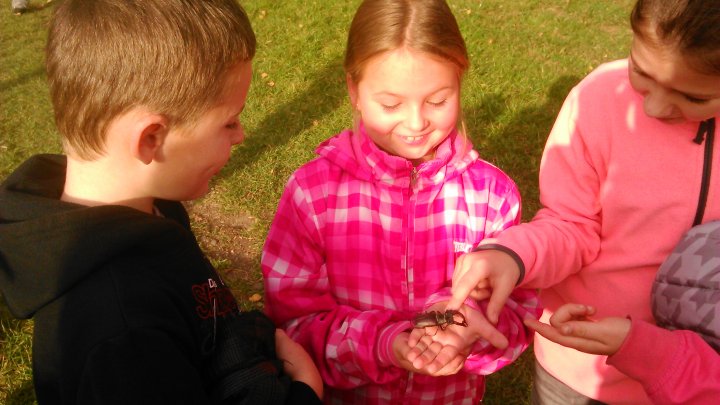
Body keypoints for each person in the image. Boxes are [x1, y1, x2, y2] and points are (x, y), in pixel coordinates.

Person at [0, 0, 323, 403]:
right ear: (150, 139)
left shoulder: (150, 211)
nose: (241, 135)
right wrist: (305, 394)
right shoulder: (121, 337)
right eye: (228, 121)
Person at [260, 0, 542, 403]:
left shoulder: (493, 196)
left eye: (438, 100)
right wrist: (384, 343)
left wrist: (468, 330)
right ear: (354, 90)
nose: (415, 123)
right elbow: (292, 326)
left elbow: (517, 309)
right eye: (391, 104)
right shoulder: (313, 194)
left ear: (460, 82)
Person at [447, 0, 720, 403]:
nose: (654, 107)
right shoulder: (598, 98)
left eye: (693, 98)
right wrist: (512, 254)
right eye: (640, 71)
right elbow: (570, 223)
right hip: (579, 368)